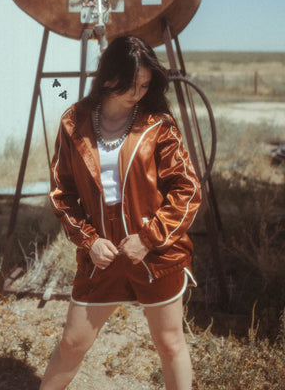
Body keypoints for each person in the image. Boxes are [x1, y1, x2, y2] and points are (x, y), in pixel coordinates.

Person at [40, 35, 201, 390]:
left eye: (145, 84)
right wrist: (89, 241)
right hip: (101, 256)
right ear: (108, 76)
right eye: (130, 84)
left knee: (170, 344)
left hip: (156, 254)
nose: (137, 92)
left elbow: (187, 190)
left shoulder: (158, 124)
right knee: (71, 343)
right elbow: (61, 194)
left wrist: (148, 239)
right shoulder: (74, 122)